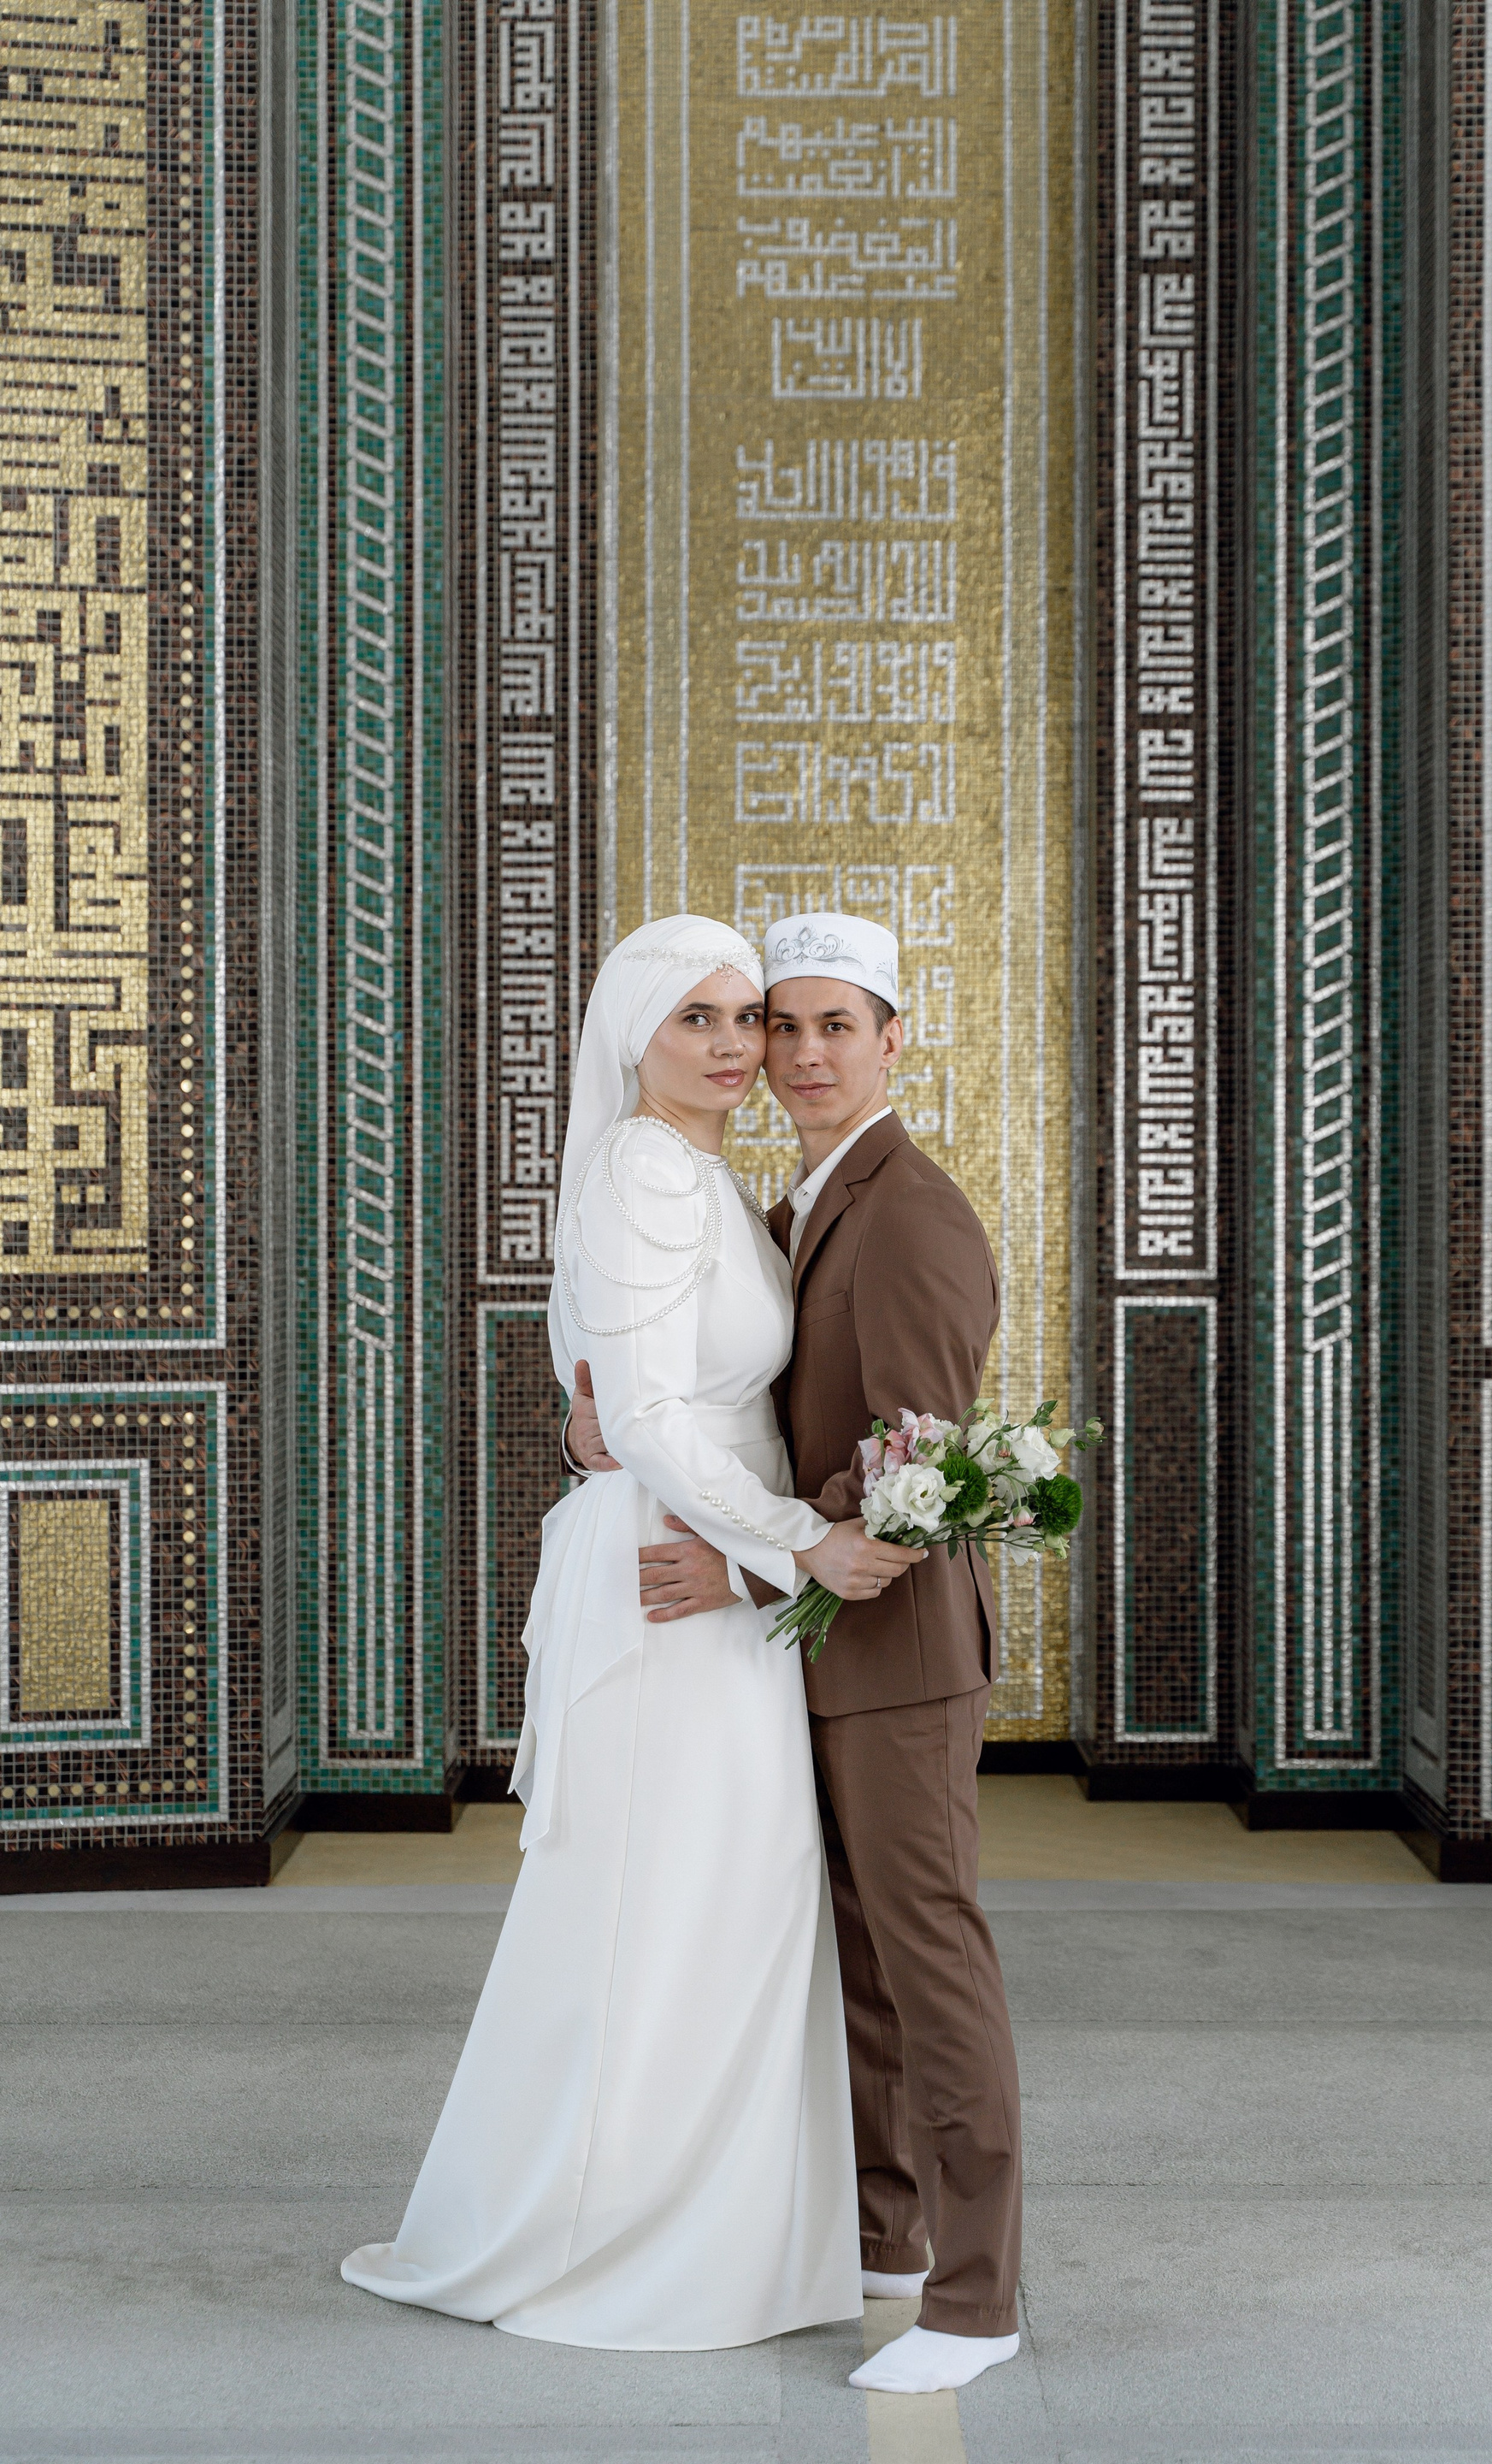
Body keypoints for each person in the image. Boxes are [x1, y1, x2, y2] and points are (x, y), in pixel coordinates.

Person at [340, 916, 923, 2349]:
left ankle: (727, 2228)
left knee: (731, 1897)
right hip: (680, 1571)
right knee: (662, 1904)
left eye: (748, 1016)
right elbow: (653, 1417)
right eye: (696, 1019)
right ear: (631, 1036)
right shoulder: (644, 1171)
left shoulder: (702, 1175)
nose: (736, 1044)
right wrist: (799, 1543)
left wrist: (616, 1447)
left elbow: (625, 1395)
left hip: (716, 1565)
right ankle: (614, 2234)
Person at [567, 911, 1024, 2395]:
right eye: (786, 1024)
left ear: (894, 1039)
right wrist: (596, 1417)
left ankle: (977, 2299)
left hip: (896, 1649)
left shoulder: (913, 1211)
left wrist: (748, 1557)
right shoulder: (788, 1203)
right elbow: (722, 1398)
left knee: (930, 1955)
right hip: (802, 1646)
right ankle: (885, 2238)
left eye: (839, 1025)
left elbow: (919, 1451)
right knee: (857, 1964)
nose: (805, 1052)